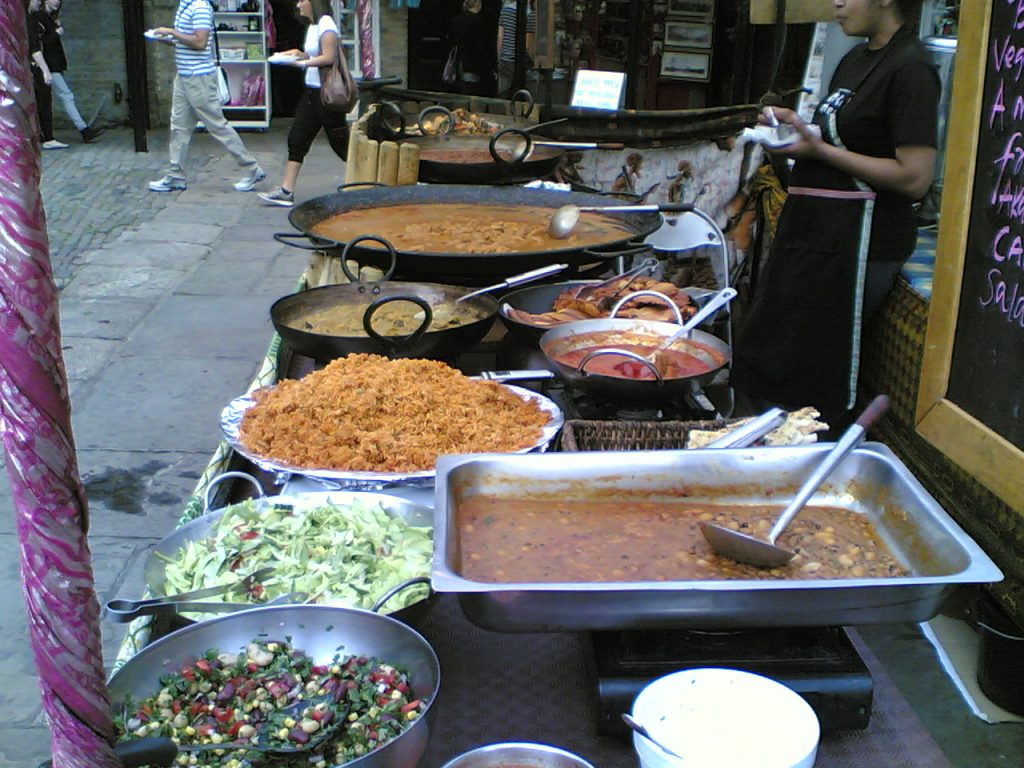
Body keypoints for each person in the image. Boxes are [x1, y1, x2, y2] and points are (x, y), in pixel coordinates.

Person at [731, 0, 939, 433]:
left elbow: (915, 178)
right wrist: (797, 126)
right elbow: (854, 135)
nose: (837, 3)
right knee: (772, 347)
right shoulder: (856, 58)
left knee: (815, 363)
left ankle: (810, 460)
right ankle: (763, 450)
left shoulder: (912, 69)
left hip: (862, 242)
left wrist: (820, 150)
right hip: (816, 231)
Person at [148, 0, 266, 193]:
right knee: (178, 126)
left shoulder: (200, 7)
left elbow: (200, 42)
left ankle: (251, 168)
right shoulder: (185, 5)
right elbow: (186, 40)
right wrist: (165, 38)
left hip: (199, 78)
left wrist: (172, 32)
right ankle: (175, 174)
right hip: (185, 76)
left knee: (217, 125)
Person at [259, 0, 349, 207]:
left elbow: (328, 57)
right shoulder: (314, 26)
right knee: (297, 138)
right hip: (311, 93)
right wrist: (296, 54)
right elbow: (314, 54)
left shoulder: (326, 23)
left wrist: (301, 63)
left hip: (325, 95)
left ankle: (370, 181)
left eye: (302, 0)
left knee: (341, 144)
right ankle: (286, 191)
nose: (298, 5)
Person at [40, 0, 103, 143]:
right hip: (49, 65)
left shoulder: (50, 19)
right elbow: (40, 44)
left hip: (54, 64)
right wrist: (57, 33)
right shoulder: (41, 18)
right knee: (66, 95)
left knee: (60, 96)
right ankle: (83, 129)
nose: (56, 2)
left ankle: (82, 129)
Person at [27, 0, 65, 149]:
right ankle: (46, 137)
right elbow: (35, 48)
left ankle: (44, 136)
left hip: (34, 64)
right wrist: (45, 70)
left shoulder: (35, 18)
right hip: (34, 65)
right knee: (43, 101)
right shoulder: (29, 20)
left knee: (41, 101)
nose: (38, 2)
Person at [447, 0, 492, 97]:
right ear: (478, 4)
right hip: (473, 63)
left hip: (459, 61)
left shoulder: (456, 20)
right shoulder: (479, 23)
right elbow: (481, 47)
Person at [496, 0, 534, 99]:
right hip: (520, 63)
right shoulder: (530, 15)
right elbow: (528, 45)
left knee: (503, 94)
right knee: (521, 96)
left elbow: (500, 36)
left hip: (504, 59)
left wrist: (499, 57)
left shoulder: (505, 10)